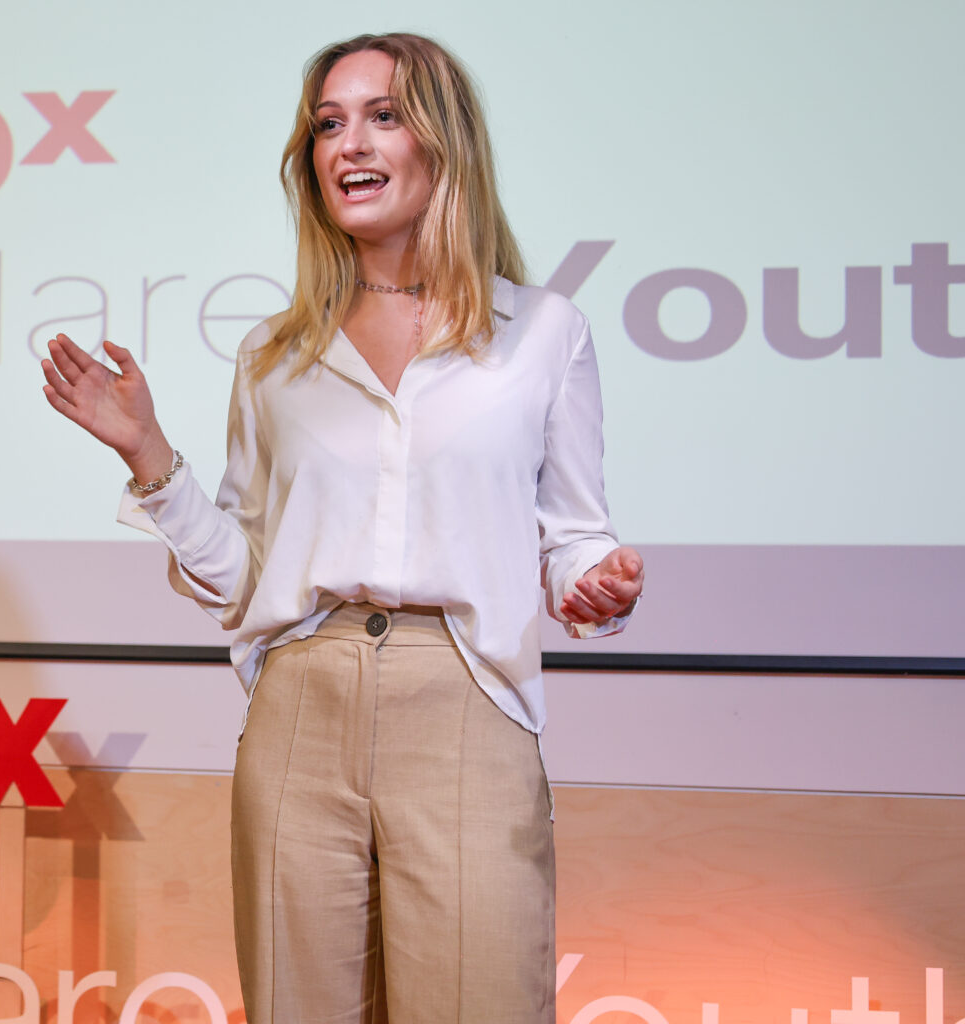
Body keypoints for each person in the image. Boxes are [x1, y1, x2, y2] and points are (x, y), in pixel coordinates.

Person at [40, 31, 643, 1024]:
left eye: (382, 116)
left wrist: (596, 579)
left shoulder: (544, 333)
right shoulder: (275, 354)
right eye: (327, 124)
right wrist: (148, 452)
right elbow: (244, 575)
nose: (347, 144)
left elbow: (575, 537)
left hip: (464, 700)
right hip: (299, 707)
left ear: (443, 141)